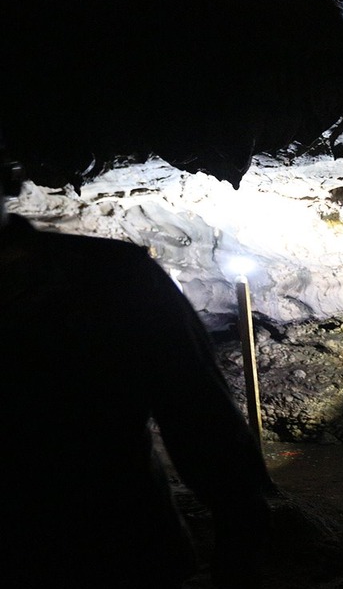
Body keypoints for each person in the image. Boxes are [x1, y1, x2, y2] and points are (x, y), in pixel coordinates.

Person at [0, 150, 274, 588]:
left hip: (113, 548)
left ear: (11, 178)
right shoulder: (109, 275)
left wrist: (240, 532)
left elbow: (198, 413)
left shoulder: (111, 278)